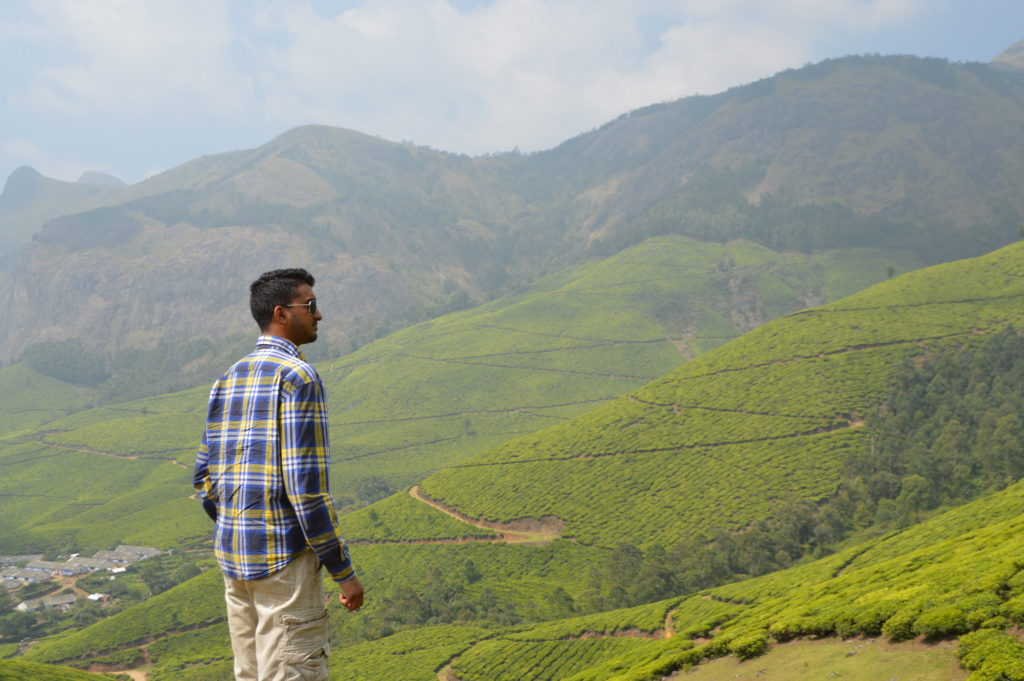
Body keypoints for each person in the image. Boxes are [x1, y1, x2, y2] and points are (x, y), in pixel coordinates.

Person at [193, 268, 364, 681]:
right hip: (284, 564)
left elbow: (203, 479)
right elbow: (306, 491)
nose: (319, 315)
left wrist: (240, 523)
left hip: (234, 558)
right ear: (281, 313)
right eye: (311, 305)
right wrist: (344, 572)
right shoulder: (299, 378)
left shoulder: (228, 378)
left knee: (249, 674)